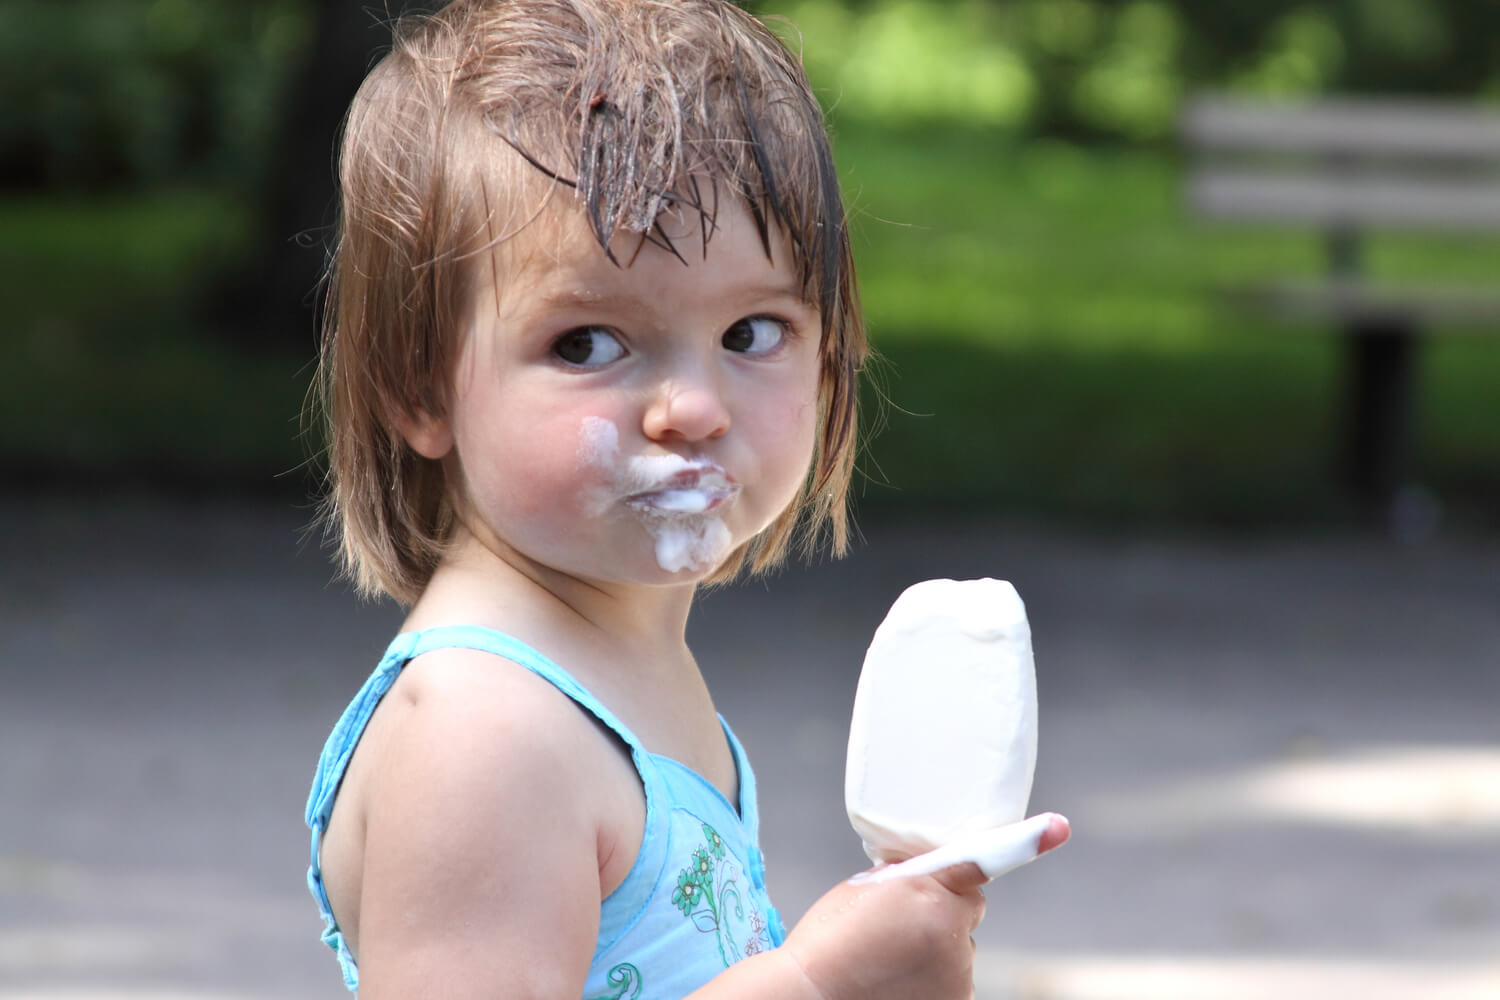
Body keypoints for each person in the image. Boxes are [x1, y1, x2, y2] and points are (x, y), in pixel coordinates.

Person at [304, 1, 1054, 996]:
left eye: (751, 332)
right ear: (418, 386)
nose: (694, 407)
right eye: (587, 344)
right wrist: (817, 983)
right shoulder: (484, 737)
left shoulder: (614, 664)